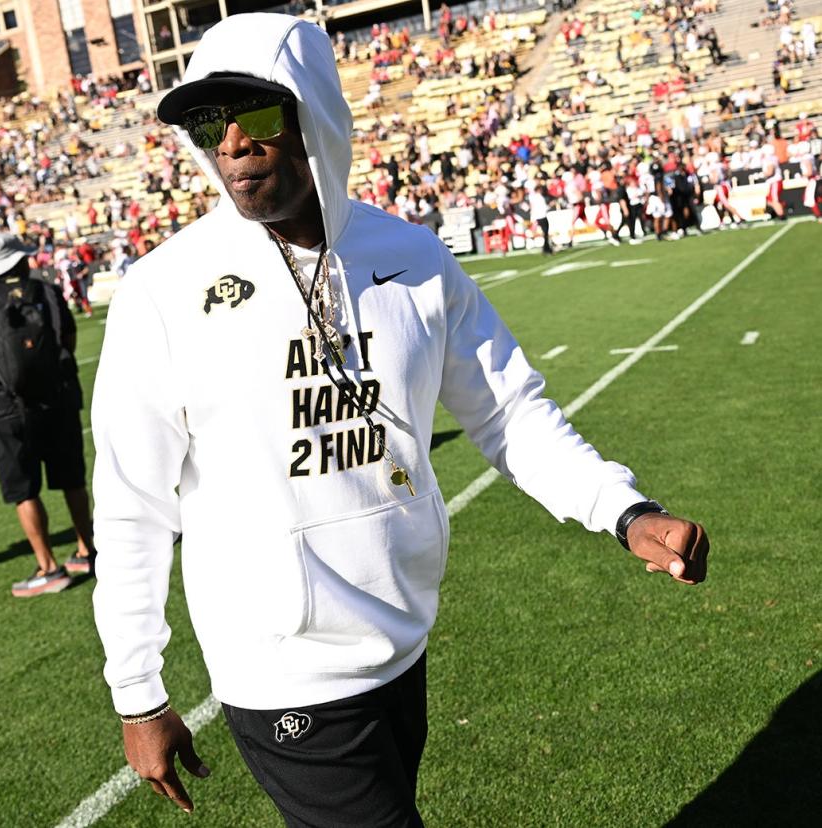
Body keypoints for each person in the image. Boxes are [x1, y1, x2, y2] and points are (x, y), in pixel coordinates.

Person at [89, 14, 710, 825]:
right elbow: (134, 504)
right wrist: (138, 692)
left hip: (402, 640)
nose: (234, 142)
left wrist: (620, 508)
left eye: (260, 114)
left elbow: (508, 410)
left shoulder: (413, 258)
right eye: (211, 122)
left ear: (314, 112)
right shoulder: (164, 292)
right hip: (282, 670)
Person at [0, 232, 96, 597]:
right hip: (59, 398)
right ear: (21, 260)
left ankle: (48, 568)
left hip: (8, 407)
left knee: (23, 488)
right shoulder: (47, 291)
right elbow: (69, 338)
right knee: (72, 479)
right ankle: (88, 550)